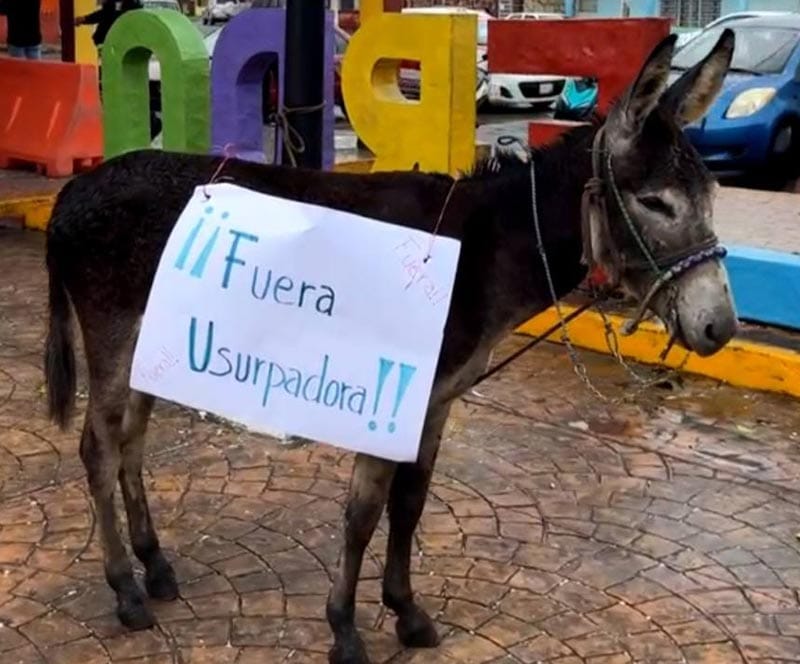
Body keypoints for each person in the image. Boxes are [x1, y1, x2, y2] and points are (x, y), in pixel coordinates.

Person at [75, 0, 142, 52]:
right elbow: (104, 14)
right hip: (105, 39)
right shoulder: (111, 3)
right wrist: (85, 19)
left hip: (122, 41)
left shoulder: (135, 5)